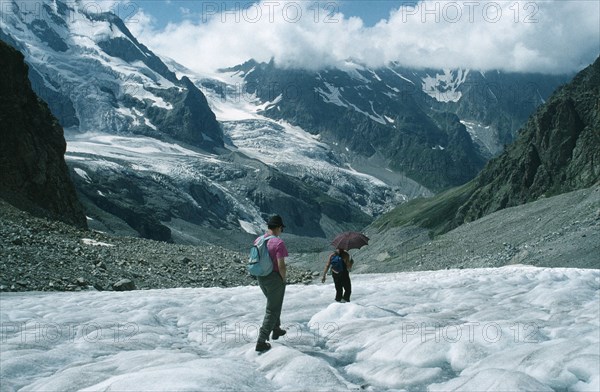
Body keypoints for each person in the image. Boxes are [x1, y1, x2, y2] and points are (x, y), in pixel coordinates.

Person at [255, 215, 288, 353]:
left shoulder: (258, 240)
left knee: (274, 303)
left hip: (261, 277)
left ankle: (276, 329)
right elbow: (281, 265)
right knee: (272, 309)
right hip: (274, 278)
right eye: (281, 228)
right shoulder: (278, 243)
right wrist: (283, 279)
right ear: (279, 227)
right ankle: (261, 341)